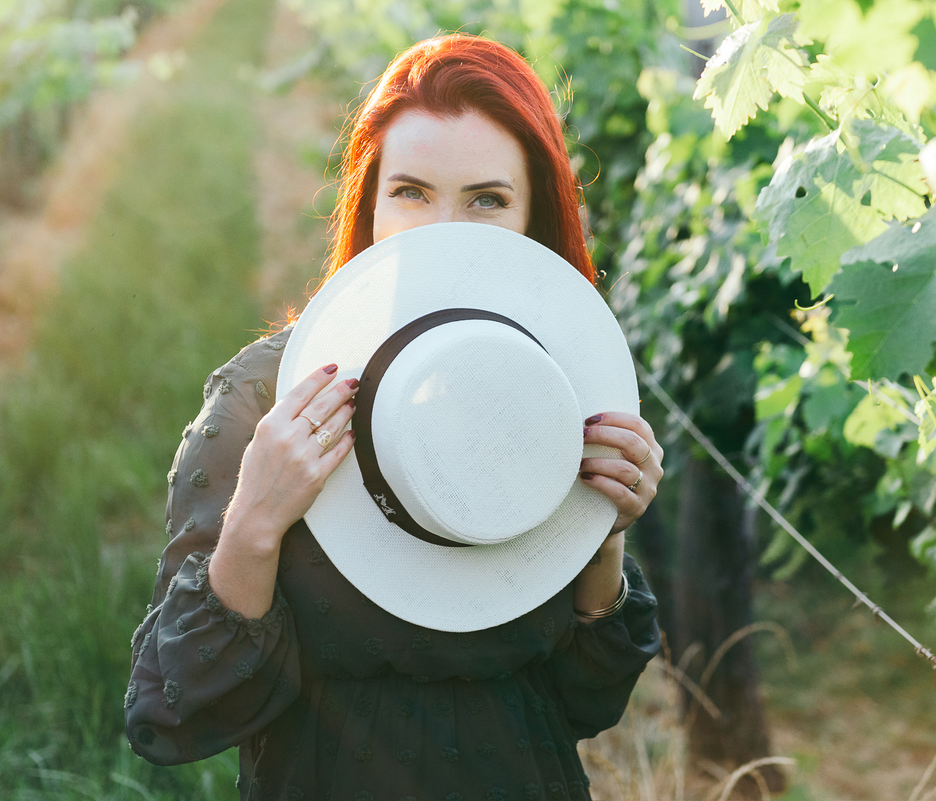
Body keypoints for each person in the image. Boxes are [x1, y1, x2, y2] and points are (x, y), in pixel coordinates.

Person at [125, 34, 665, 801]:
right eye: (411, 192)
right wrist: (254, 523)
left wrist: (599, 530)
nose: (444, 227)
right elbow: (175, 711)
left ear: (534, 219)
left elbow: (587, 701)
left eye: (487, 199)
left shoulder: (561, 393)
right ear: (369, 205)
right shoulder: (267, 398)